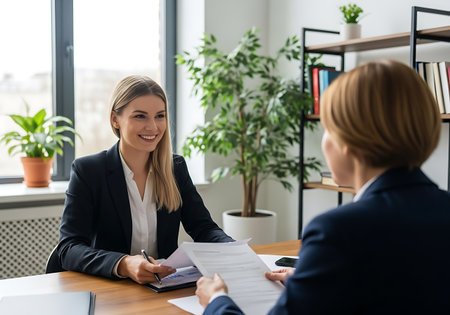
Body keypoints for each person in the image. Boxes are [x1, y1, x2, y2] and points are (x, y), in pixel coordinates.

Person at [196, 60, 450, 314]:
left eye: (327, 128)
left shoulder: (336, 232)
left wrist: (217, 300)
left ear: (350, 139)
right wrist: (313, 280)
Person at [57, 75, 233, 284]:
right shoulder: (88, 171)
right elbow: (68, 249)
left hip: (163, 286)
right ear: (115, 119)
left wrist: (233, 250)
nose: (153, 127)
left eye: (160, 116)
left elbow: (204, 228)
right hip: (113, 289)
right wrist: (123, 264)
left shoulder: (175, 168)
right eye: (140, 116)